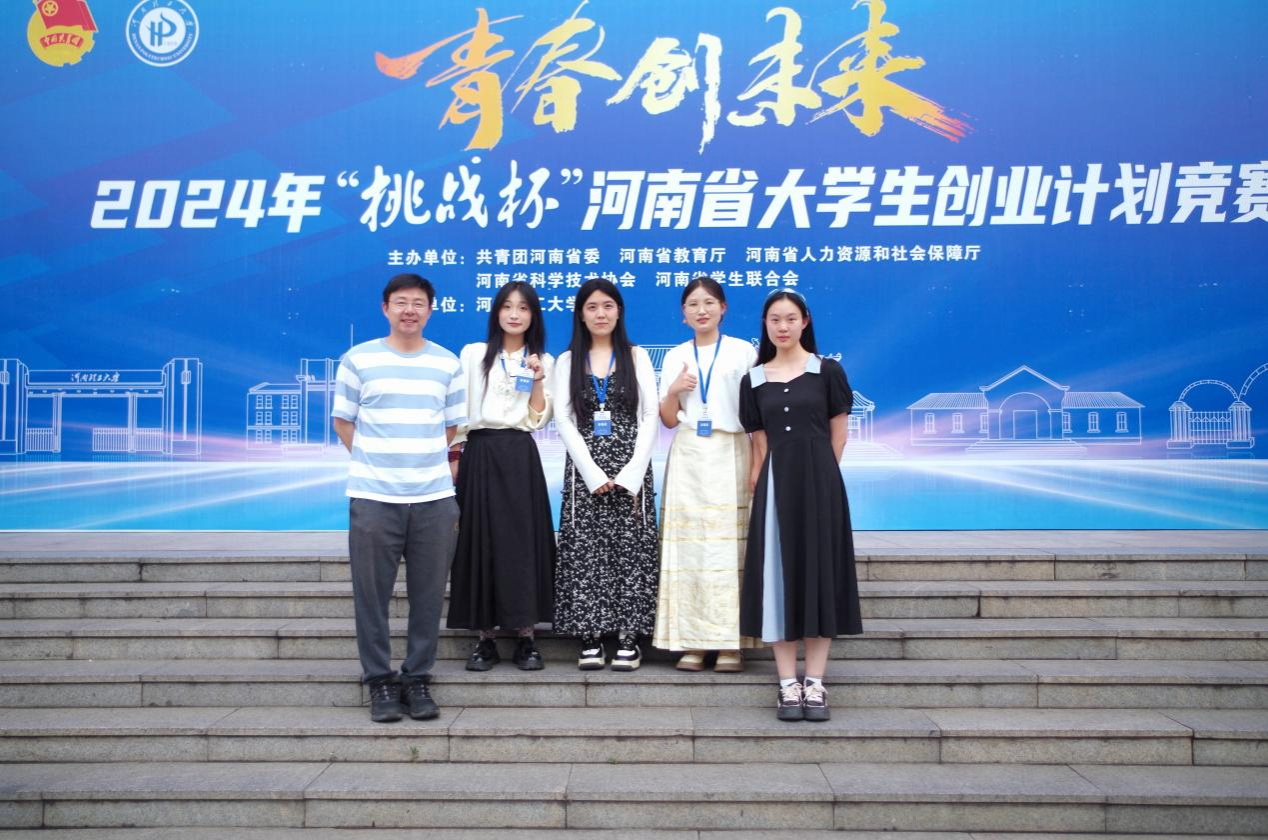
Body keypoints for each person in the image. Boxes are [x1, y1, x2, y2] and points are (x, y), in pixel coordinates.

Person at [331, 273, 464, 723]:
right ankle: (379, 681)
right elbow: (343, 422)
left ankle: (417, 677)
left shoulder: (447, 363)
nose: (410, 310)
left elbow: (451, 427)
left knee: (429, 595)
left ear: (431, 310)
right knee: (371, 596)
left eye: (419, 303)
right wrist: (377, 463)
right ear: (385, 308)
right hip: (373, 497)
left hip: (434, 498)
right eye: (401, 302)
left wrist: (418, 462)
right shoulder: (358, 360)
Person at [738, 289, 862, 722]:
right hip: (775, 485)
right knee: (778, 577)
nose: (783, 326)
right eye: (775, 319)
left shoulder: (827, 371)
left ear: (805, 321)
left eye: (791, 318)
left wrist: (823, 478)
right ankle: (787, 683)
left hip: (820, 484)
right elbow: (758, 442)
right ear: (765, 324)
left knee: (819, 575)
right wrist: (758, 480)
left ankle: (816, 682)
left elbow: (839, 434)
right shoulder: (754, 379)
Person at [447, 281, 556, 671]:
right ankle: (485, 640)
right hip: (479, 452)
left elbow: (539, 417)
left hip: (520, 454)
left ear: (533, 316)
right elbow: (458, 409)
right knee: (481, 543)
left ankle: (526, 638)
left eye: (523, 308)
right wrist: (455, 455)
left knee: (522, 544)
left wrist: (538, 378)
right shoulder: (474, 354)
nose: (514, 314)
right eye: (507, 306)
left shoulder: (543, 360)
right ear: (496, 312)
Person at [552, 277, 660, 671]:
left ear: (619, 312)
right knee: (587, 551)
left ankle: (630, 639)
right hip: (586, 470)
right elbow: (563, 418)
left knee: (631, 549)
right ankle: (590, 636)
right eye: (592, 307)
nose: (601, 314)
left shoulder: (636, 356)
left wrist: (632, 472)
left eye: (608, 306)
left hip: (631, 465)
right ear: (581, 314)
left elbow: (649, 414)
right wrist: (591, 472)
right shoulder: (567, 361)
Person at [653, 277, 758, 673]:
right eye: (693, 304)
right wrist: (673, 390)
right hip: (689, 456)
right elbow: (667, 419)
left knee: (730, 550)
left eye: (709, 302)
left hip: (732, 450)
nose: (702, 310)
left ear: (723, 308)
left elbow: (756, 414)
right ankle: (692, 642)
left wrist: (759, 463)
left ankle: (731, 644)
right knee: (690, 548)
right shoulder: (676, 355)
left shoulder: (743, 351)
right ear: (683, 314)